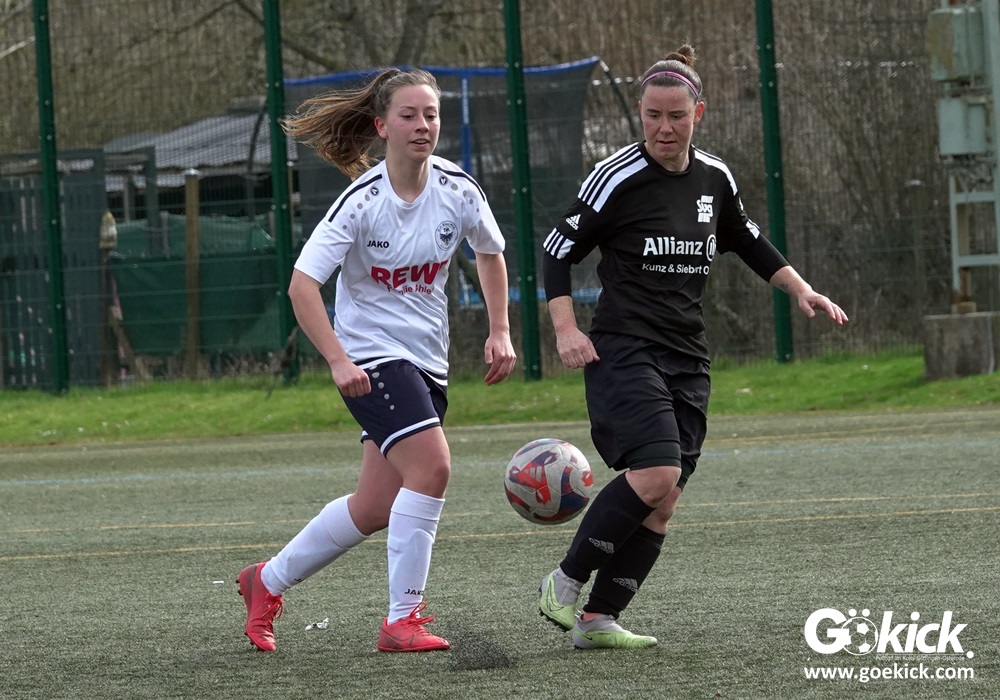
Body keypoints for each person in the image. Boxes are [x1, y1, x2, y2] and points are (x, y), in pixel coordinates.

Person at [536, 45, 849, 650]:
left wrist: (802, 290)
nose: (663, 127)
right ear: (640, 113)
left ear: (697, 113)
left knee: (664, 500)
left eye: (676, 115)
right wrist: (566, 330)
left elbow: (748, 239)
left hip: (688, 355)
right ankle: (565, 581)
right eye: (652, 115)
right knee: (657, 472)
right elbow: (556, 251)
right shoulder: (616, 177)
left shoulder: (715, 177)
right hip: (625, 348)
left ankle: (598, 619)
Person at [238, 67, 517, 653]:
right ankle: (402, 620)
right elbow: (301, 286)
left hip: (427, 361)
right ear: (382, 126)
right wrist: (338, 360)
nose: (422, 126)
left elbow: (490, 253)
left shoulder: (458, 189)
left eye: (431, 115)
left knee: (374, 507)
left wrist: (500, 330)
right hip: (372, 359)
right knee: (433, 468)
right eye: (408, 115)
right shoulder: (362, 201)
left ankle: (266, 580)